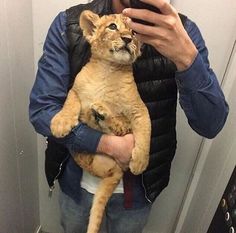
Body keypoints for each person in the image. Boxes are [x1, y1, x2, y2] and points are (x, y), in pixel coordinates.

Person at [29, 0, 229, 232]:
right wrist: (107, 144)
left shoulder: (184, 32)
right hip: (76, 180)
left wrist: (186, 58)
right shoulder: (71, 23)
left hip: (139, 190)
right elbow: (42, 110)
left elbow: (211, 125)